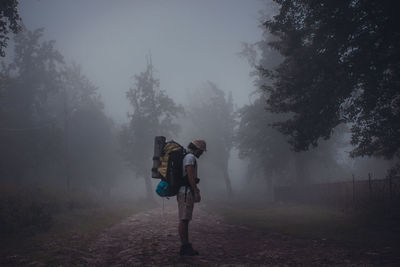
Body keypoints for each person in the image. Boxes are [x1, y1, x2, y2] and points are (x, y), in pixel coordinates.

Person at [177, 139, 206, 256]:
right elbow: (190, 175)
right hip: (186, 192)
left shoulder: (187, 157)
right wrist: (196, 191)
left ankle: (186, 246)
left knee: (185, 219)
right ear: (197, 149)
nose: (202, 153)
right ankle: (184, 247)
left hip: (184, 191)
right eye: (201, 151)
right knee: (184, 219)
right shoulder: (190, 158)